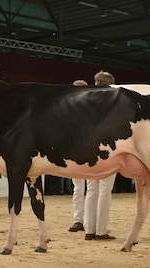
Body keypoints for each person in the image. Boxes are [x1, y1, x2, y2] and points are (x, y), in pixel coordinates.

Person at [84, 70, 117, 240]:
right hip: (107, 148)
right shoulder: (112, 101)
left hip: (88, 148)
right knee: (105, 189)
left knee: (91, 189)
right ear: (109, 84)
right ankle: (101, 230)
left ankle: (89, 230)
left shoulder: (85, 99)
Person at [68, 79, 88, 232]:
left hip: (82, 150)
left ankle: (81, 220)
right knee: (81, 188)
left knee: (81, 188)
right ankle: (79, 220)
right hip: (77, 151)